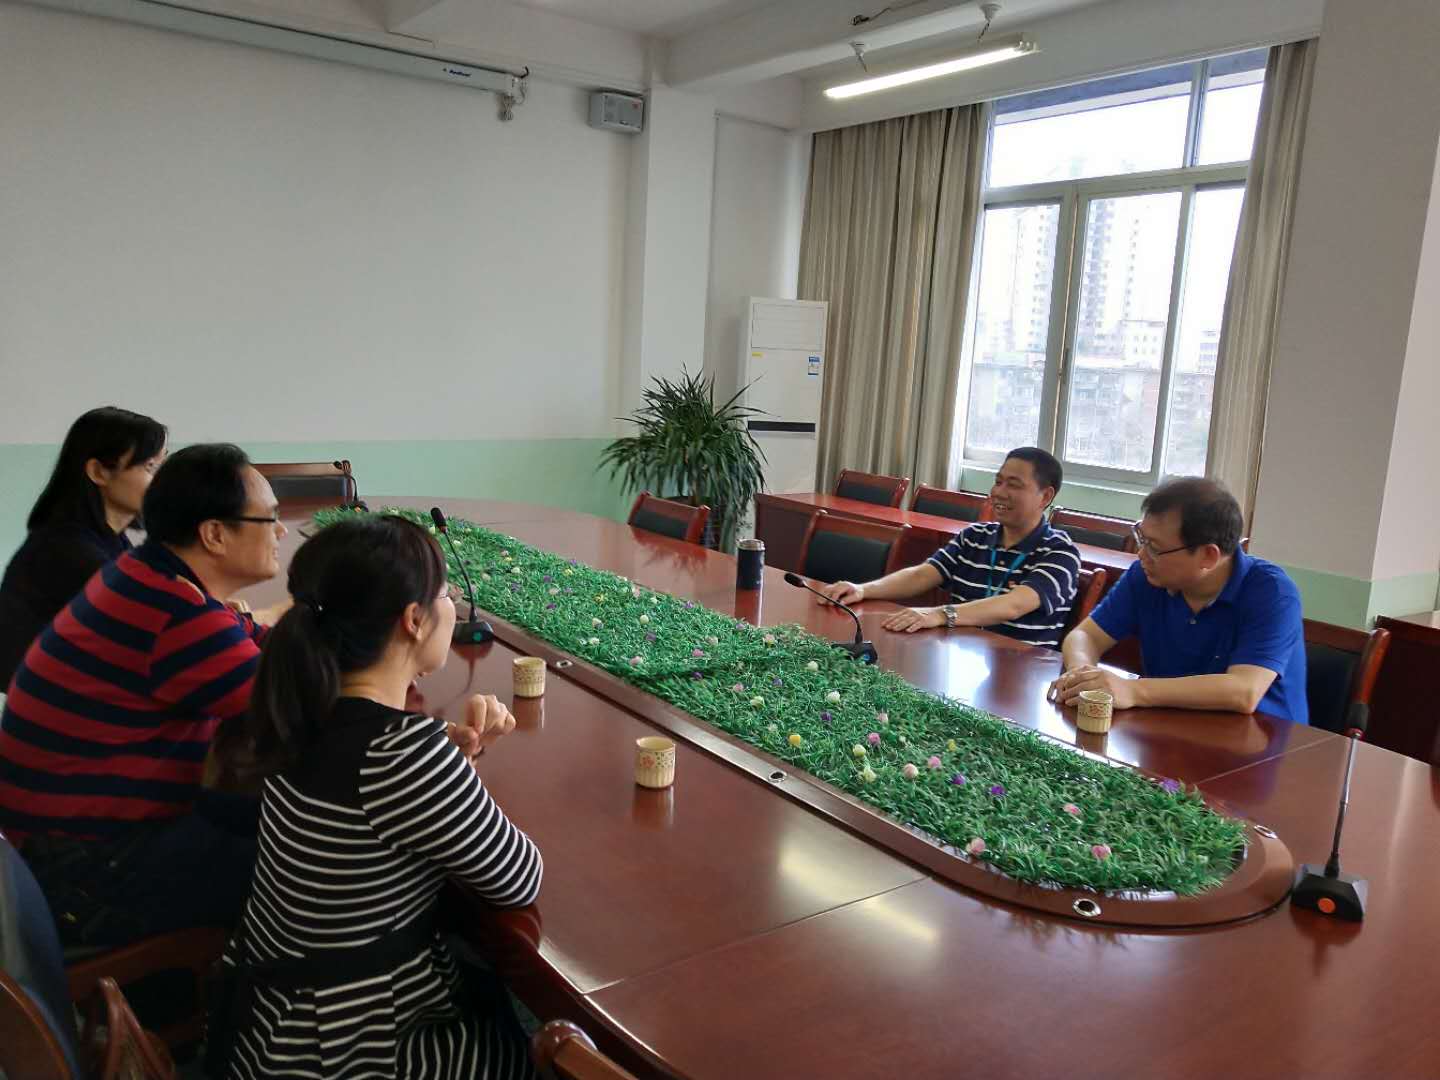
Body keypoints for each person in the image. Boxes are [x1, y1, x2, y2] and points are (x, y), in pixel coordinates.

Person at [213, 514, 542, 1080]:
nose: (453, 604)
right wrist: (446, 772)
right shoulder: (404, 754)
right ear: (413, 620)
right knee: (529, 1050)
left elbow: (368, 805)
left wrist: (450, 768)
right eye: (445, 593)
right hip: (347, 1048)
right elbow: (518, 877)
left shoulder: (302, 705)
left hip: (267, 1020)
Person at [0, 443, 291, 946]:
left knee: (280, 820)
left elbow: (248, 637)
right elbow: (302, 711)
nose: (281, 532)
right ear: (215, 534)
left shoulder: (145, 574)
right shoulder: (177, 615)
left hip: (53, 844)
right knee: (311, 866)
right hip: (85, 871)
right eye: (270, 518)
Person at [1052, 477, 1308, 724]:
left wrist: (1133, 690)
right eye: (1142, 538)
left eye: (1154, 547)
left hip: (1261, 742)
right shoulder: (1145, 577)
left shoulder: (1273, 593)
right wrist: (1082, 675)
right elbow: (1085, 636)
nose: (1141, 554)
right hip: (1167, 727)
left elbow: (1243, 691)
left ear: (1208, 556)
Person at [816, 448, 1083, 649]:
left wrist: (941, 614)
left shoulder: (1059, 552)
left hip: (1020, 671)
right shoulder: (974, 537)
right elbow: (922, 575)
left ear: (1045, 496)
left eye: (1013, 485)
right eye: (998, 481)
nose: (999, 492)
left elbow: (1013, 605)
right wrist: (863, 589)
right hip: (960, 658)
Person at [0, 407, 168, 688]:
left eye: (164, 465)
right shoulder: (67, 550)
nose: (163, 481)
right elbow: (155, 626)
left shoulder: (112, 539)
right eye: (150, 467)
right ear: (99, 472)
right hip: (55, 705)